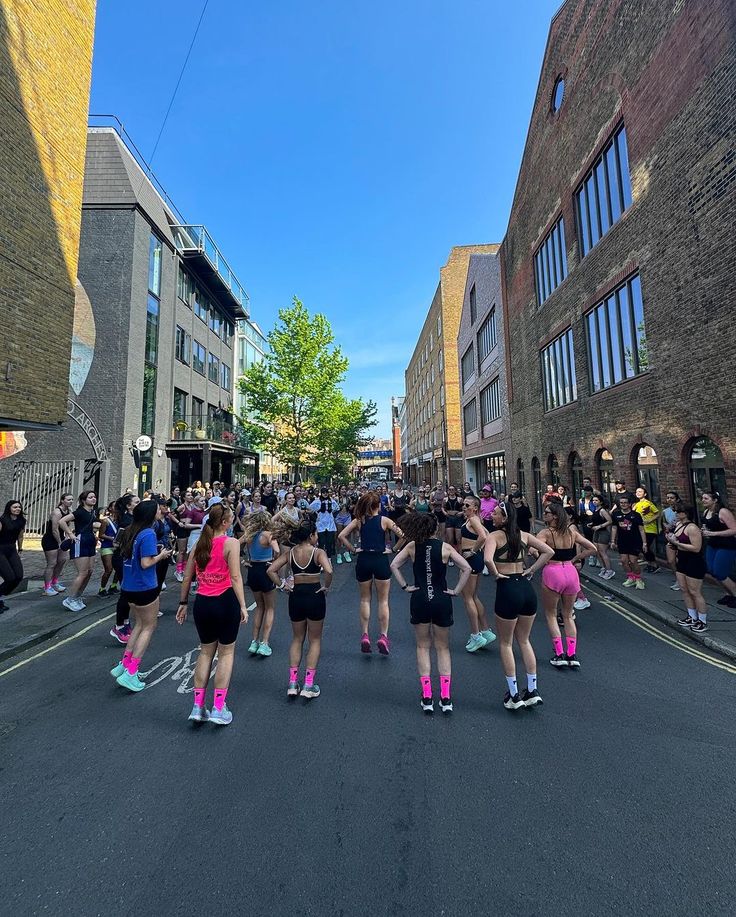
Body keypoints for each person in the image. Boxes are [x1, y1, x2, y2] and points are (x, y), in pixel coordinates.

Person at [390, 512, 471, 714]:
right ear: (435, 529)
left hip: (420, 598)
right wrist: (456, 591)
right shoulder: (445, 547)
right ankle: (445, 697)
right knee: (442, 648)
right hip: (442, 599)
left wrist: (405, 586)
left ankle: (427, 696)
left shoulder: (411, 546)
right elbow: (467, 568)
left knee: (422, 646)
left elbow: (394, 565)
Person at [176, 503, 249, 725]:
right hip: (225, 602)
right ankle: (218, 707)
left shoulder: (199, 544)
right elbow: (236, 578)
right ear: (226, 523)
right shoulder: (231, 543)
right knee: (226, 653)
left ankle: (198, 706)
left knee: (205, 653)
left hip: (203, 603)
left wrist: (183, 602)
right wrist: (244, 606)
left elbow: (187, 577)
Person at [483, 501, 554, 709]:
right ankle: (532, 690)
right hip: (526, 589)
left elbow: (488, 560)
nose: (491, 516)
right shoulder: (524, 535)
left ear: (504, 518)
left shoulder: (493, 537)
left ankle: (514, 695)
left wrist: (496, 574)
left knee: (506, 644)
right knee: (524, 640)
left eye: (495, 514)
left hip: (507, 589)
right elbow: (548, 552)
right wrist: (532, 570)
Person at [110, 500, 172, 692]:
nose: (160, 512)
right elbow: (146, 563)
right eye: (157, 510)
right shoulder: (148, 533)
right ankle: (131, 672)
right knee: (149, 627)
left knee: (138, 625)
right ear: (150, 515)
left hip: (129, 585)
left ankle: (125, 664)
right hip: (145, 586)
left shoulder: (129, 530)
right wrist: (161, 556)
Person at [267, 520, 333, 700]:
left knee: (297, 639)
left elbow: (271, 570)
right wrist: (326, 587)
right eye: (316, 533)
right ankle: (309, 684)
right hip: (314, 595)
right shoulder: (318, 552)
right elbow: (329, 571)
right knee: (314, 640)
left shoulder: (290, 553)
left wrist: (282, 585)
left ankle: (292, 683)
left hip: (296, 596)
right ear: (311, 535)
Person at [337, 491, 403, 655]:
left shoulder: (359, 520)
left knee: (365, 599)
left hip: (364, 559)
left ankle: (365, 634)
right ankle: (383, 636)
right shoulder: (385, 520)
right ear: (378, 506)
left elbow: (342, 535)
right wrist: (393, 549)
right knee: (383, 601)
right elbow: (403, 536)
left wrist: (353, 549)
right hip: (380, 559)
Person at [537, 502, 596, 668]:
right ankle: (572, 654)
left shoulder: (545, 533)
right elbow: (592, 548)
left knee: (551, 614)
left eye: (547, 512)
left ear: (555, 516)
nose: (545, 514)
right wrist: (576, 558)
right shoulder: (572, 532)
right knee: (569, 615)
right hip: (570, 572)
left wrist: (538, 556)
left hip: (553, 572)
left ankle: (559, 653)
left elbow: (533, 549)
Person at [458, 495, 495, 651]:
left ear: (475, 508)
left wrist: (472, 551)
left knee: (467, 598)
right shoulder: (475, 519)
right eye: (464, 505)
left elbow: (484, 536)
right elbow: (486, 533)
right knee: (473, 596)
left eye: (467, 505)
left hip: (471, 559)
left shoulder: (473, 519)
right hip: (474, 559)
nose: (464, 507)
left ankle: (476, 634)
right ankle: (485, 630)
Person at [241, 511, 279, 656]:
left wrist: (244, 561)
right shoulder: (268, 535)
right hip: (265, 569)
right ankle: (265, 642)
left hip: (253, 570)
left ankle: (254, 641)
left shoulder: (249, 535)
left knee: (259, 607)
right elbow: (276, 551)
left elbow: (235, 545)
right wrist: (273, 562)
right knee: (270, 608)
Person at [666, 503, 708, 632]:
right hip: (682, 560)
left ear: (686, 513)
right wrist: (672, 541)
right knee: (684, 590)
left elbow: (696, 548)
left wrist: (676, 543)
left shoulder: (692, 528)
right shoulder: (678, 525)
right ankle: (692, 616)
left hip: (694, 561)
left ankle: (702, 621)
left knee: (695, 592)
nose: (676, 514)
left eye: (678, 512)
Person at [59, 490, 99, 612]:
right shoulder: (79, 512)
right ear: (83, 500)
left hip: (90, 541)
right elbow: (62, 521)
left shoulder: (92, 512)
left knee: (90, 571)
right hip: (80, 542)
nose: (93, 499)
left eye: (94, 497)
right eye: (90, 497)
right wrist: (70, 534)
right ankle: (70, 599)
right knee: (82, 572)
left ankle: (77, 596)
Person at [109, 493, 140, 644]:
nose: (139, 503)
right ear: (129, 506)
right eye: (136, 502)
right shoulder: (126, 521)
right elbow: (118, 542)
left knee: (130, 593)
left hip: (128, 558)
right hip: (121, 559)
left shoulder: (135, 520)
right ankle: (119, 626)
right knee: (126, 593)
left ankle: (126, 623)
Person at [701, 491, 736, 608]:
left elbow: (734, 530)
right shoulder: (706, 512)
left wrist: (713, 533)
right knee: (711, 570)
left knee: (720, 572)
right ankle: (728, 593)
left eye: (706, 498)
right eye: (702, 498)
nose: (703, 500)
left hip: (726, 545)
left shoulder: (723, 512)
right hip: (712, 544)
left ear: (715, 500)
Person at [611, 496, 647, 589]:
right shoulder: (616, 514)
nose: (623, 504)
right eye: (621, 502)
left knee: (633, 560)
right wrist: (612, 541)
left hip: (634, 541)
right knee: (624, 561)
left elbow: (641, 530)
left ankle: (639, 579)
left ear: (629, 504)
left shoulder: (636, 515)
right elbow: (614, 528)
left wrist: (644, 543)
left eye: (625, 502)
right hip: (622, 541)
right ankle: (631, 578)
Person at [0, 500, 26, 613]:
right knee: (9, 578)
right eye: (14, 507)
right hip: (0, 550)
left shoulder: (22, 521)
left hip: (12, 549)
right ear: (9, 508)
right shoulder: (2, 520)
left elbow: (20, 536)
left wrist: (20, 548)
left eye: (19, 507)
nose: (17, 509)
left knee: (19, 576)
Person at [633, 486, 661, 573]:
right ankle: (650, 563)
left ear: (645, 494)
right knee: (642, 547)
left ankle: (654, 564)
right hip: (640, 529)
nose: (638, 493)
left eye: (640, 492)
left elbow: (657, 513)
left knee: (645, 547)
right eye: (637, 491)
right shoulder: (636, 504)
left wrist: (649, 520)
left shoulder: (648, 503)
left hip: (649, 529)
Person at [589, 495, 615, 579]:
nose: (594, 502)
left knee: (602, 552)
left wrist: (599, 526)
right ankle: (603, 568)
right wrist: (591, 524)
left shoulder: (602, 510)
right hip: (596, 532)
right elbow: (596, 520)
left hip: (603, 532)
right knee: (597, 552)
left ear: (600, 502)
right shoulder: (595, 510)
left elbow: (610, 521)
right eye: (593, 500)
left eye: (596, 500)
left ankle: (609, 570)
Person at [97, 501, 120, 595]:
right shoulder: (105, 521)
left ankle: (113, 585)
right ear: (110, 508)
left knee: (119, 568)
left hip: (117, 546)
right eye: (114, 506)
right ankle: (102, 588)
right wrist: (112, 538)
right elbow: (101, 535)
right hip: (107, 546)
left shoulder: (120, 520)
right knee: (109, 569)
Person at [310, 488, 339, 559]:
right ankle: (321, 558)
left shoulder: (332, 501)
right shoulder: (317, 501)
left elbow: (337, 508)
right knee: (321, 542)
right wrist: (317, 512)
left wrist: (332, 514)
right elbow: (310, 509)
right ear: (321, 493)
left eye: (326, 492)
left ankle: (329, 557)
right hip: (320, 523)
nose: (325, 494)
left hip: (330, 523)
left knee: (329, 541)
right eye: (323, 492)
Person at [662, 491, 681, 590]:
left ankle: (682, 580)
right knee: (671, 560)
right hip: (670, 536)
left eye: (672, 498)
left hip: (681, 537)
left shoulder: (682, 510)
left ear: (677, 499)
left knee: (680, 560)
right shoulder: (665, 511)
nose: (669, 500)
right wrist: (667, 528)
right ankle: (678, 579)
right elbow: (664, 523)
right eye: (668, 498)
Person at [443, 485, 464, 551]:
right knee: (450, 539)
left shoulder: (459, 499)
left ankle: (460, 555)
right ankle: (451, 556)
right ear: (448, 491)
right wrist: (445, 513)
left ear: (455, 490)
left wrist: (462, 513)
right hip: (449, 518)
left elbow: (465, 508)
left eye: (452, 489)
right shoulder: (445, 499)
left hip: (458, 519)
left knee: (458, 539)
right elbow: (442, 507)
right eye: (450, 489)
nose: (451, 491)